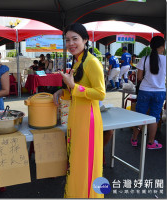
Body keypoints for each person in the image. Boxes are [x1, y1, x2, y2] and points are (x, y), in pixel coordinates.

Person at [53, 23, 105, 198]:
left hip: (88, 121)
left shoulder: (92, 62)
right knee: (76, 161)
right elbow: (76, 89)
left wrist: (74, 87)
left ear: (85, 40)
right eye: (67, 40)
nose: (71, 43)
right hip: (76, 118)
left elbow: (100, 93)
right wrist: (64, 91)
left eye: (75, 39)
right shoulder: (77, 61)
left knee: (86, 162)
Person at [131, 36, 166, 150]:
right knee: (154, 117)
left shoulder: (144, 59)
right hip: (159, 92)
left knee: (139, 115)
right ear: (162, 46)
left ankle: (135, 139)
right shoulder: (166, 60)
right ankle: (151, 143)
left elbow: (139, 77)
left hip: (145, 90)